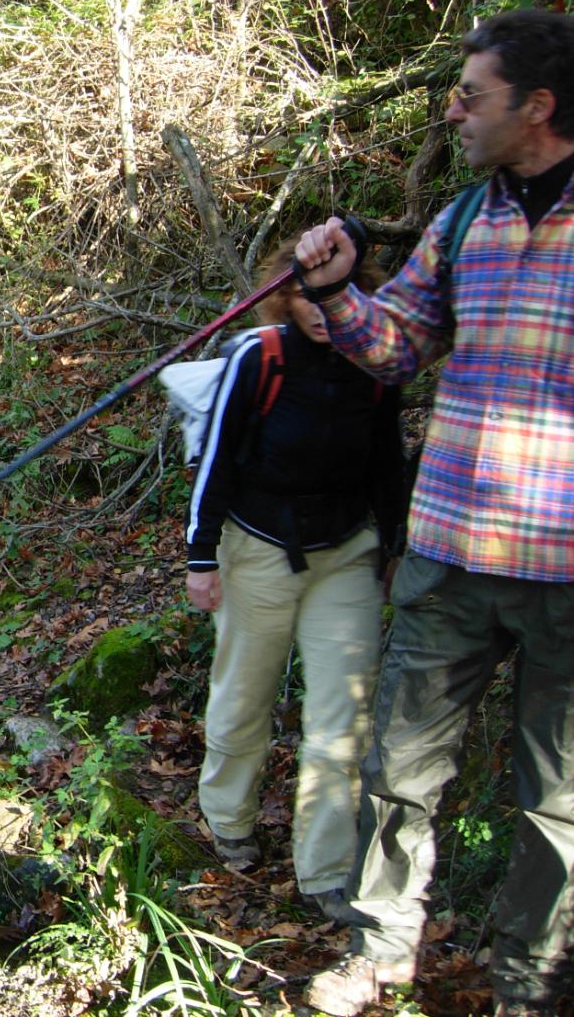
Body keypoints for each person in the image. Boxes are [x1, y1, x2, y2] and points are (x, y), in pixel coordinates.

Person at [294, 8, 574, 1017]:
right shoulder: (463, 221)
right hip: (451, 553)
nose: (453, 111)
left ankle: (525, 987)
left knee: (556, 810)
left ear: (537, 108)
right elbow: (397, 345)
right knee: (399, 774)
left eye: (472, 95)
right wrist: (334, 293)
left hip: (567, 575)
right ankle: (378, 957)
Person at [186, 240, 405, 924]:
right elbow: (216, 458)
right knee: (243, 695)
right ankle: (228, 816)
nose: (318, 309)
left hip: (344, 552)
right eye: (304, 295)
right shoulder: (261, 356)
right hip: (255, 547)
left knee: (342, 717)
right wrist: (201, 555)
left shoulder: (376, 363)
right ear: (284, 296)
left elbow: (388, 460)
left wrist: (394, 546)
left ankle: (327, 870)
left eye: (330, 295)